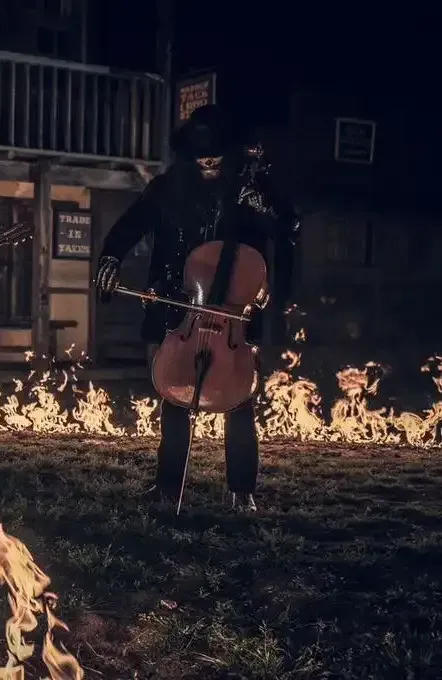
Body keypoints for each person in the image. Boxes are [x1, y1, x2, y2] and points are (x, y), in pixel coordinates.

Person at [94, 105, 301, 512]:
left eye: (215, 157)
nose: (207, 163)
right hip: (178, 305)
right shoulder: (168, 187)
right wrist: (112, 255)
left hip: (233, 314)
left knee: (239, 400)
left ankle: (242, 489)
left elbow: (288, 227)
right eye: (199, 157)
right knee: (174, 395)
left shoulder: (251, 188)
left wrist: (264, 205)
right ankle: (168, 485)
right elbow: (131, 224)